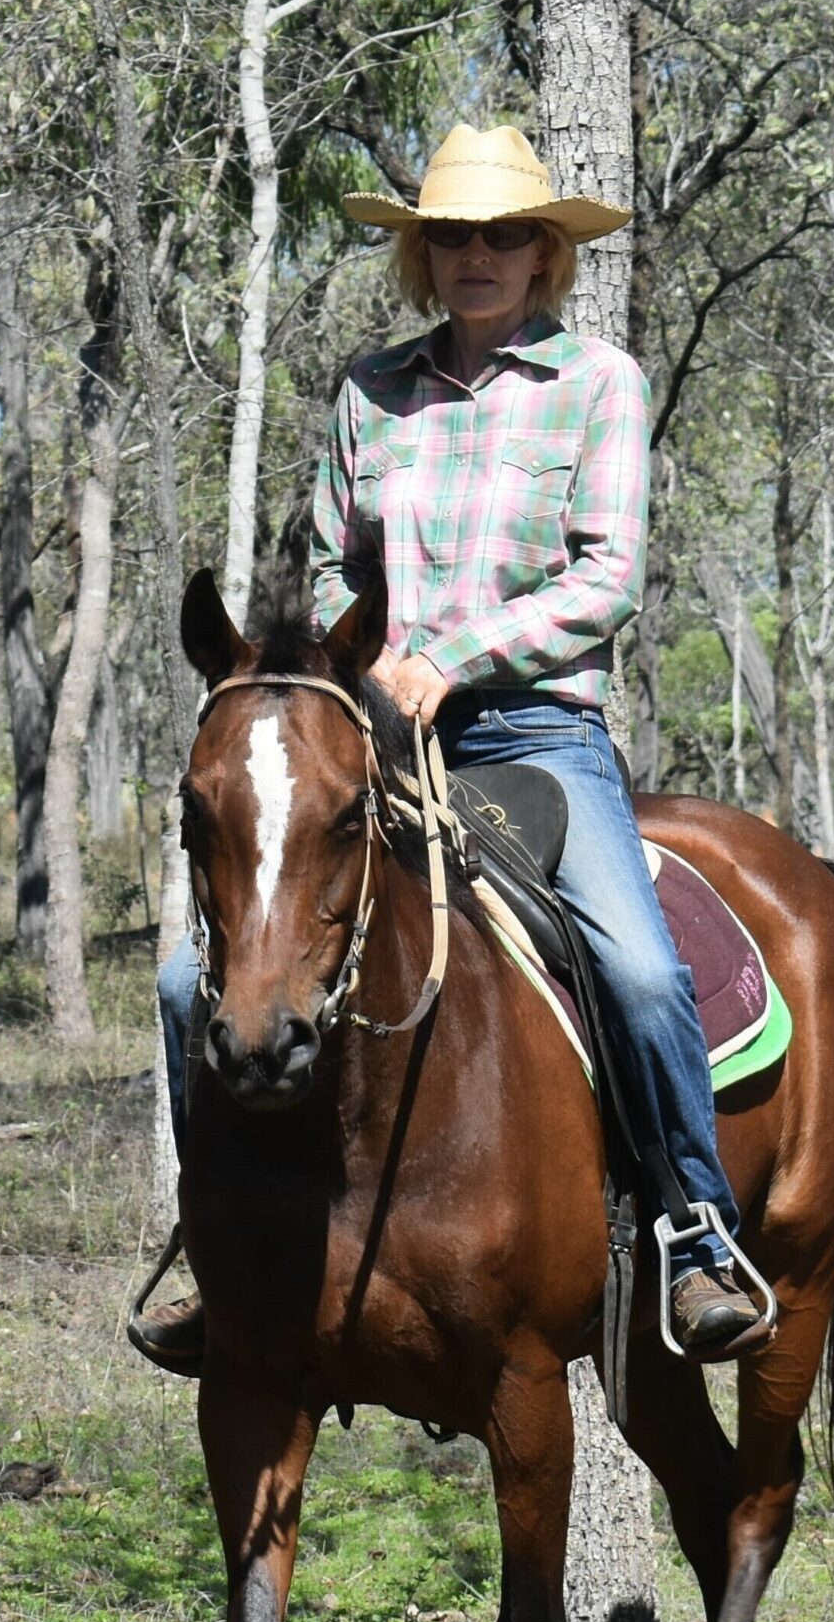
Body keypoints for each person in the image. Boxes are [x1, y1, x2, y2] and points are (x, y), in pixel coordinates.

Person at [130, 124, 769, 1372]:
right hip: (371, 733)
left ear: (545, 253)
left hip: (536, 729)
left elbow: (608, 577)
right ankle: (220, 1256)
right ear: (425, 256)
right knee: (177, 984)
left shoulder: (599, 385)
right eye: (454, 237)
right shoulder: (371, 393)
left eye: (506, 234)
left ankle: (696, 1233)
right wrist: (341, 674)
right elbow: (327, 566)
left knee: (636, 970)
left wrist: (450, 659)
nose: (479, 255)